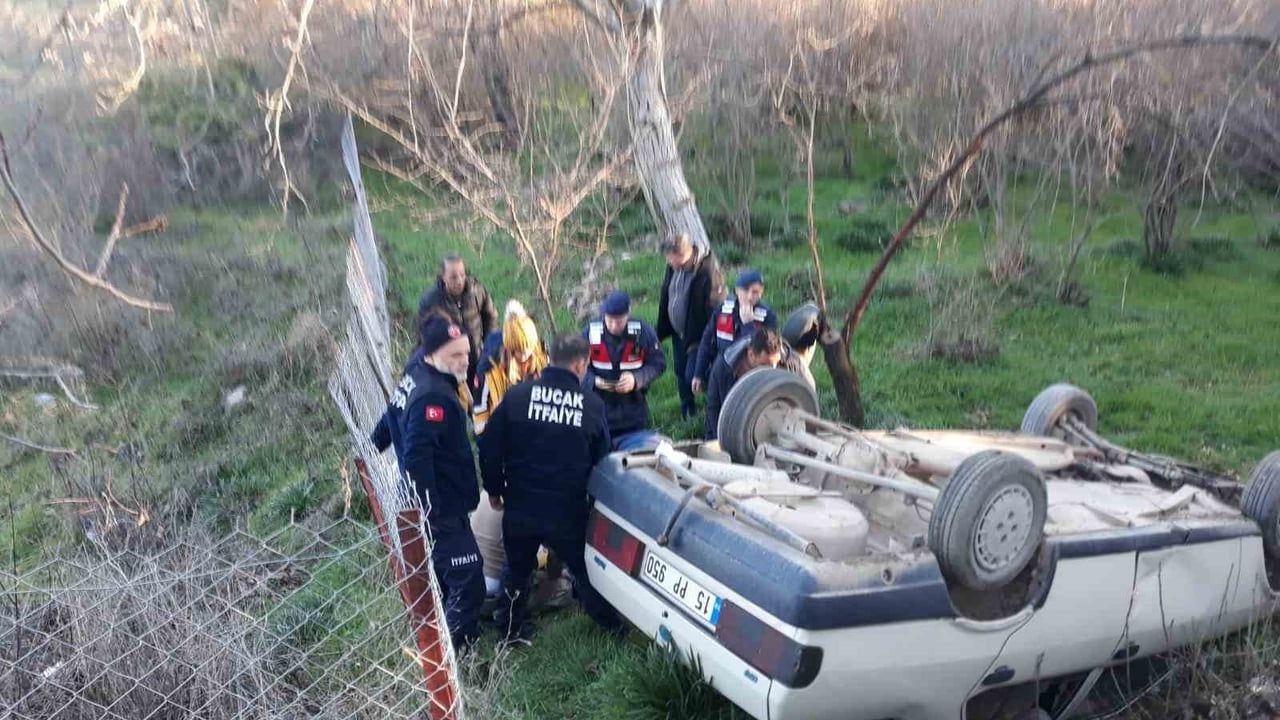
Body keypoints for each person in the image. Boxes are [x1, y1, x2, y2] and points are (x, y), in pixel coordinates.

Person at [479, 335, 625, 643]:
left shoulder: (517, 397)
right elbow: (604, 464)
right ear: (580, 365)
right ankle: (612, 628)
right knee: (584, 571)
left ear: (550, 359)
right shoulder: (592, 407)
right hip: (568, 512)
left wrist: (494, 489)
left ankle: (509, 630)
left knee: (517, 570)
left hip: (520, 506)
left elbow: (489, 446)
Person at [370, 315, 485, 651]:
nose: (464, 361)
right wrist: (428, 515)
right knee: (469, 578)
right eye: (456, 355)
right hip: (438, 508)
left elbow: (392, 411)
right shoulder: (433, 398)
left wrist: (373, 444)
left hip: (431, 505)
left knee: (443, 576)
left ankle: (452, 636)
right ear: (434, 354)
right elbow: (418, 458)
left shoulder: (416, 369)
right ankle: (452, 651)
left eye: (466, 353)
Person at [583, 291, 667, 451]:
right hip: (599, 413)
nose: (614, 326)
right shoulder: (590, 333)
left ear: (628, 315)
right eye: (610, 320)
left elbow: (658, 363)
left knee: (634, 457)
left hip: (633, 413)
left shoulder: (643, 332)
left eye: (619, 321)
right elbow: (576, 368)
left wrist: (636, 379)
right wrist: (594, 381)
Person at [655, 233, 725, 419]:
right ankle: (688, 412)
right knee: (680, 371)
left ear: (680, 254)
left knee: (695, 374)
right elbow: (667, 296)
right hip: (678, 333)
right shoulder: (673, 268)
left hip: (698, 337)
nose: (667, 261)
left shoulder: (708, 273)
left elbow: (715, 309)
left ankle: (717, 408)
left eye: (669, 257)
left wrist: (710, 342)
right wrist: (661, 331)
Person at [417, 254, 499, 393]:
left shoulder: (477, 291)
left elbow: (490, 317)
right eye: (453, 277)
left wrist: (489, 348)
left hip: (478, 360)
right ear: (443, 277)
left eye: (462, 275)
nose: (459, 281)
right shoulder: (431, 301)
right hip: (451, 368)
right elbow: (424, 338)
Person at [692, 269, 777, 395]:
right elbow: (706, 342)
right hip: (721, 371)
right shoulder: (723, 310)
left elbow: (765, 350)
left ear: (761, 292)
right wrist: (698, 373)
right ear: (737, 290)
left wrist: (748, 325)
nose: (750, 297)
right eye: (745, 291)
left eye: (755, 292)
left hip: (749, 376)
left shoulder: (767, 316)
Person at [473, 300, 549, 434]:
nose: (525, 354)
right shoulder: (488, 370)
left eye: (529, 348)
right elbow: (480, 411)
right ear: (509, 347)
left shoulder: (544, 359)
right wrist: (488, 431)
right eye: (519, 350)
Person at [704, 328, 785, 440]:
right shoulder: (723, 367)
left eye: (776, 364)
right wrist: (720, 441)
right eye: (764, 365)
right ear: (751, 354)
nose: (772, 370)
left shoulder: (786, 363)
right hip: (729, 429)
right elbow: (713, 408)